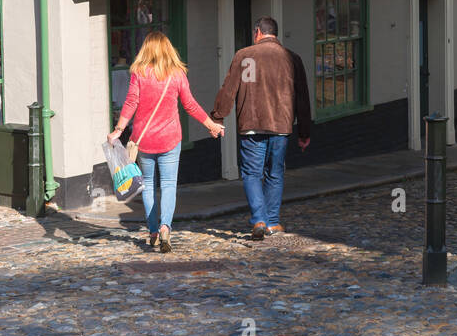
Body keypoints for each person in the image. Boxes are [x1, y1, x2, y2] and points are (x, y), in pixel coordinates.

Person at [109, 31, 223, 253]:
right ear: (168, 49)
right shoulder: (177, 74)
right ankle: (165, 227)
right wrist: (211, 125)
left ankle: (152, 231)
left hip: (145, 140)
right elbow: (189, 104)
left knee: (148, 186)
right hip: (170, 139)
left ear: (146, 49)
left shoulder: (138, 73)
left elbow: (131, 102)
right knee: (169, 185)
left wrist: (118, 130)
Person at [211, 16, 313, 241]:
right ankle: (273, 222)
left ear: (257, 32)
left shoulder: (244, 55)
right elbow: (303, 98)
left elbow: (229, 90)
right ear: (275, 33)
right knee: (275, 174)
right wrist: (304, 132)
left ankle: (258, 218)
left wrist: (217, 117)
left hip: (252, 124)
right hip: (281, 125)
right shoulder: (292, 59)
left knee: (251, 173)